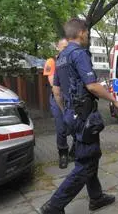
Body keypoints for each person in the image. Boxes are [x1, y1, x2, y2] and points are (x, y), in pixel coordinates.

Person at [40, 18, 118, 214]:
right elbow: (92, 85)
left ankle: (96, 198)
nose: (87, 36)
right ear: (82, 32)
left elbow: (57, 91)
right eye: (87, 33)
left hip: (71, 114)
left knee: (88, 156)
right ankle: (54, 206)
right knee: (85, 163)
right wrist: (114, 100)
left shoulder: (60, 59)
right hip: (84, 116)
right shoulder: (79, 54)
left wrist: (66, 112)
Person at [43, 38, 76, 169]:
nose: (65, 50)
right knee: (61, 127)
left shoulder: (72, 60)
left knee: (75, 125)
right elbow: (53, 83)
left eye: (67, 47)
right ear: (57, 47)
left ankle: (75, 150)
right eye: (63, 47)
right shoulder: (51, 61)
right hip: (58, 97)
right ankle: (63, 154)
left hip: (72, 97)